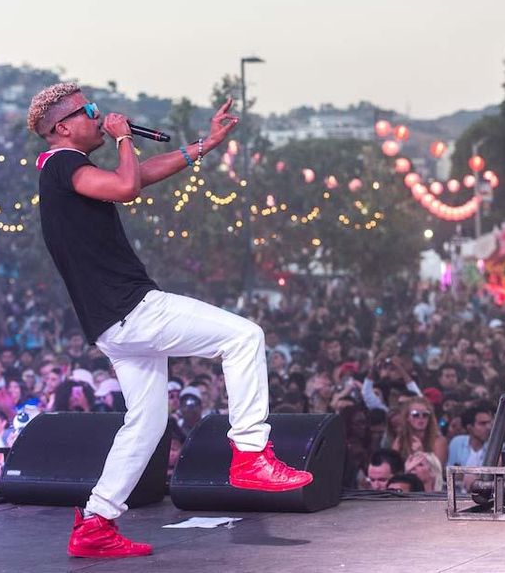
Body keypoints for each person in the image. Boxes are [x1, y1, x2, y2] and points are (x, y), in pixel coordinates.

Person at [28, 83, 312, 559]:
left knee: (146, 422)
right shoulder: (62, 165)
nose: (99, 116)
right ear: (63, 126)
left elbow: (137, 177)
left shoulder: (66, 172)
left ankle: (97, 521)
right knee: (245, 336)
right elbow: (126, 186)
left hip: (111, 323)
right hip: (132, 309)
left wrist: (204, 145)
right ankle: (250, 454)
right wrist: (122, 137)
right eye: (89, 112)